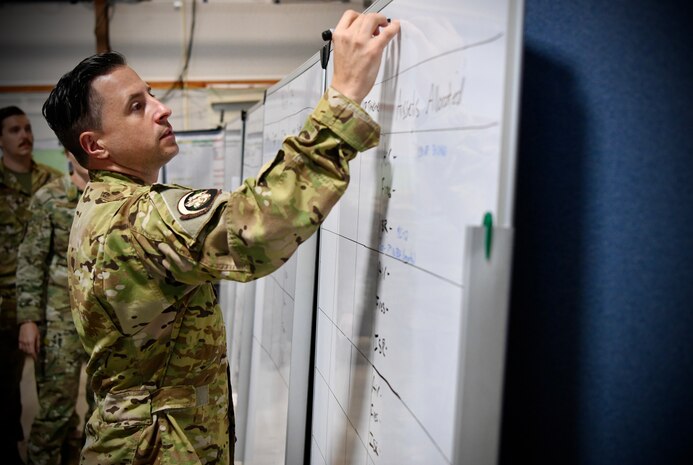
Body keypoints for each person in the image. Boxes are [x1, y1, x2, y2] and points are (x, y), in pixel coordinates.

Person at [41, 10, 399, 464]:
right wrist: (344, 97)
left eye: (150, 94)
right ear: (96, 146)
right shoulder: (137, 218)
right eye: (137, 106)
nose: (161, 107)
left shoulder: (102, 204)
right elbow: (258, 227)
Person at [16, 148, 95, 465]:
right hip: (59, 321)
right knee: (56, 408)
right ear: (68, 150)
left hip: (102, 322)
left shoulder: (113, 197)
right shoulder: (49, 198)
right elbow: (31, 261)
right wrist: (28, 320)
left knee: (102, 410)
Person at [0, 106, 62, 464]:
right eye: (13, 130)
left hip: (46, 300)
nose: (25, 135)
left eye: (27, 128)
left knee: (53, 387)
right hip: (3, 302)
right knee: (5, 390)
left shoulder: (52, 181)